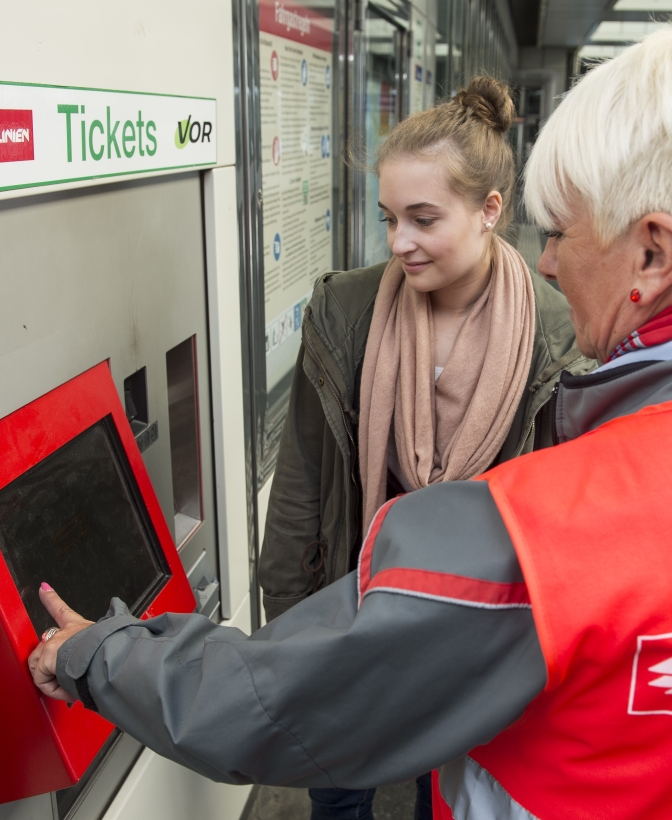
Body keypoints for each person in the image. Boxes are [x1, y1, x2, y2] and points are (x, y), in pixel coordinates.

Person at [29, 15, 672, 818]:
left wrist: (98, 655)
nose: (548, 261)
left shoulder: (537, 534)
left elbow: (275, 709)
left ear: (651, 254)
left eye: (560, 230)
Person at [258, 75, 589, 819]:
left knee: (445, 799)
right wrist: (286, 630)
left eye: (423, 218)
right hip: (355, 613)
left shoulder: (558, 335)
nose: (398, 242)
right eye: (388, 218)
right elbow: (303, 488)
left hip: (482, 639)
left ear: (489, 212)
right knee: (339, 794)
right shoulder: (346, 309)